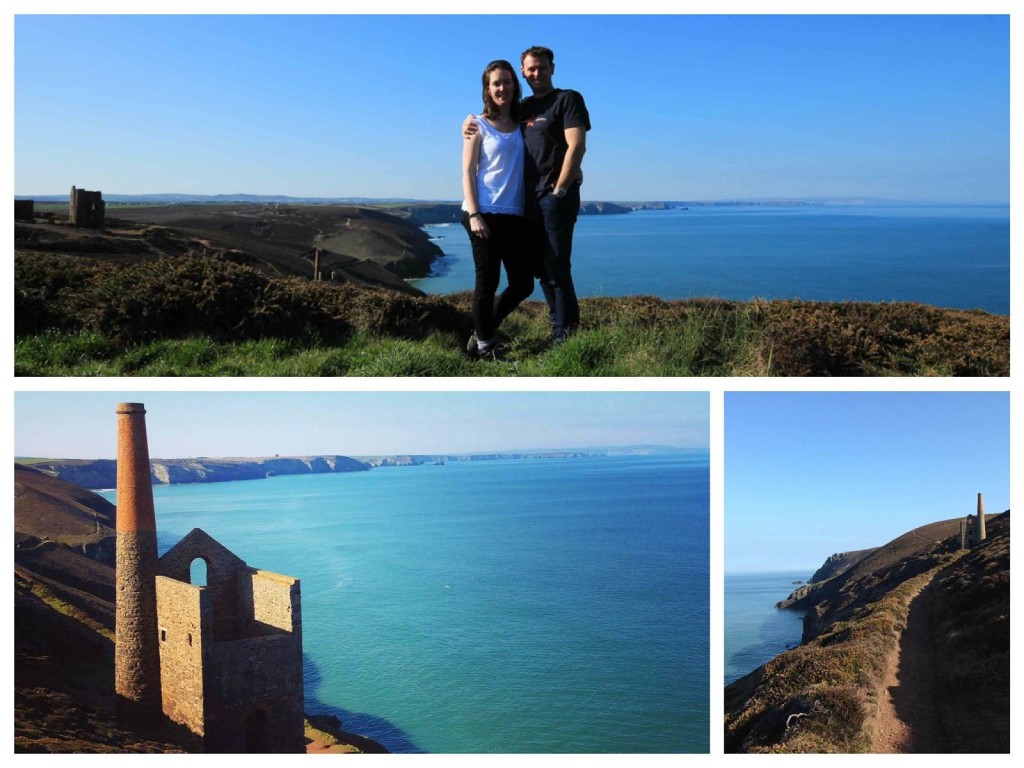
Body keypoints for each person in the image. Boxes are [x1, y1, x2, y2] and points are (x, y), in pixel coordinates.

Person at [465, 45, 590, 344]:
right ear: (524, 72)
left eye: (542, 67)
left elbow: (577, 146)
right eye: (531, 68)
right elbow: (494, 124)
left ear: (552, 68)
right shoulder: (522, 109)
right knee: (539, 270)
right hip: (523, 205)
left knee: (556, 267)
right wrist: (469, 123)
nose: (537, 73)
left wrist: (562, 187)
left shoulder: (567, 99)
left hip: (553, 197)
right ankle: (487, 332)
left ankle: (565, 336)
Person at [460, 59, 535, 359]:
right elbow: (467, 171)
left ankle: (482, 331)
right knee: (487, 282)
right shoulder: (476, 125)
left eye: (507, 81)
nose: (502, 87)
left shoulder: (522, 122)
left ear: (515, 85)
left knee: (523, 284)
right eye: (496, 83)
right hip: (483, 212)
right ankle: (485, 348)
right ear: (487, 90)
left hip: (513, 214)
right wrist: (475, 215)